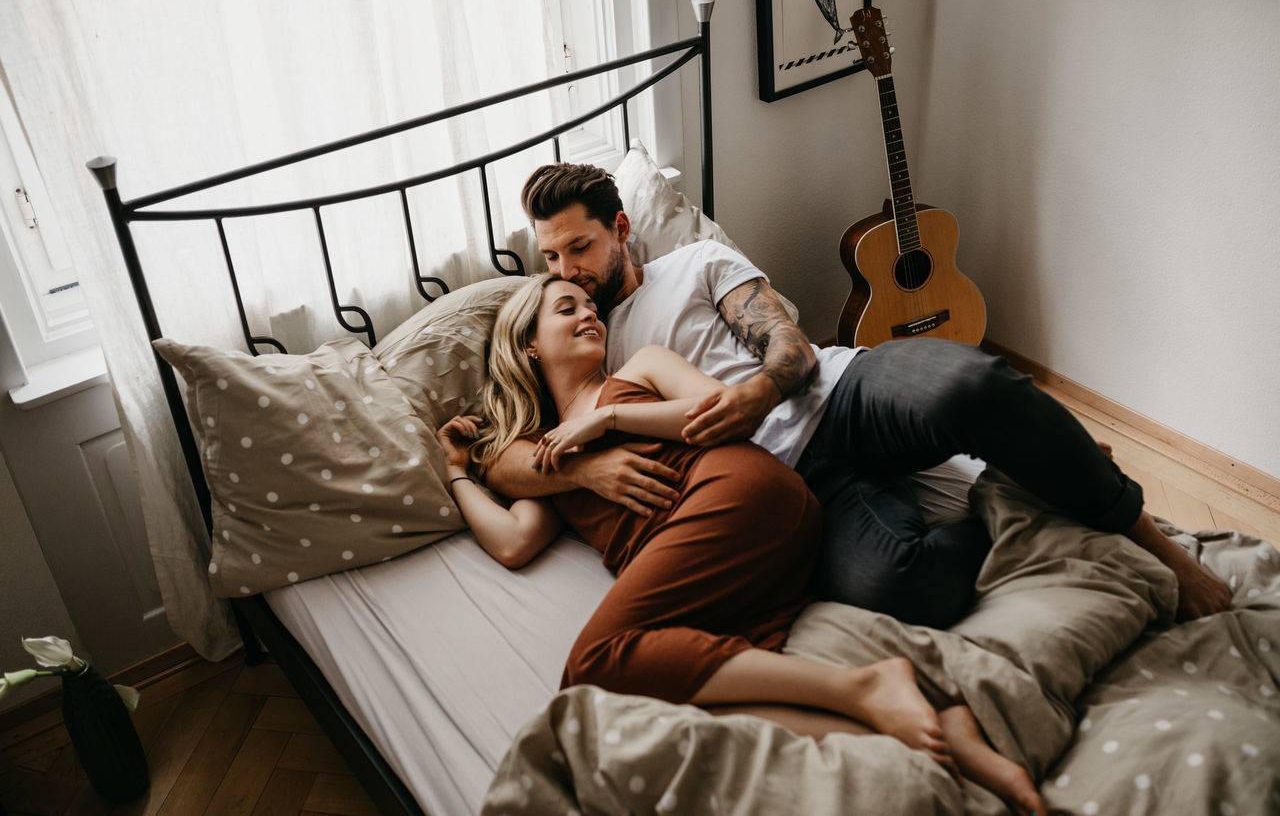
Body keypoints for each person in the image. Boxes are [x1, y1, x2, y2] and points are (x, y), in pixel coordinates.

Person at [483, 162, 1233, 628]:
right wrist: (582, 469)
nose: (568, 271)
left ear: (620, 229)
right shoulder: (571, 340)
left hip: (841, 392)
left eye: (579, 247)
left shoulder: (697, 263)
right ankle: (1017, 485)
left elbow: (789, 347)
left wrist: (754, 398)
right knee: (908, 587)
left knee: (972, 383)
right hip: (798, 485)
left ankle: (1161, 546)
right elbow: (508, 459)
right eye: (550, 256)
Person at [437, 273, 1047, 815]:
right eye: (566, 309)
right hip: (732, 560)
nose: (589, 313)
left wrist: (612, 420)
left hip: (734, 494)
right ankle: (936, 730)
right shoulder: (540, 450)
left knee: (593, 666)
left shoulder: (638, 371)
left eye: (588, 305)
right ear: (529, 344)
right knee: (683, 697)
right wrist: (457, 471)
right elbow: (516, 542)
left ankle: (867, 687)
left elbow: (717, 407)